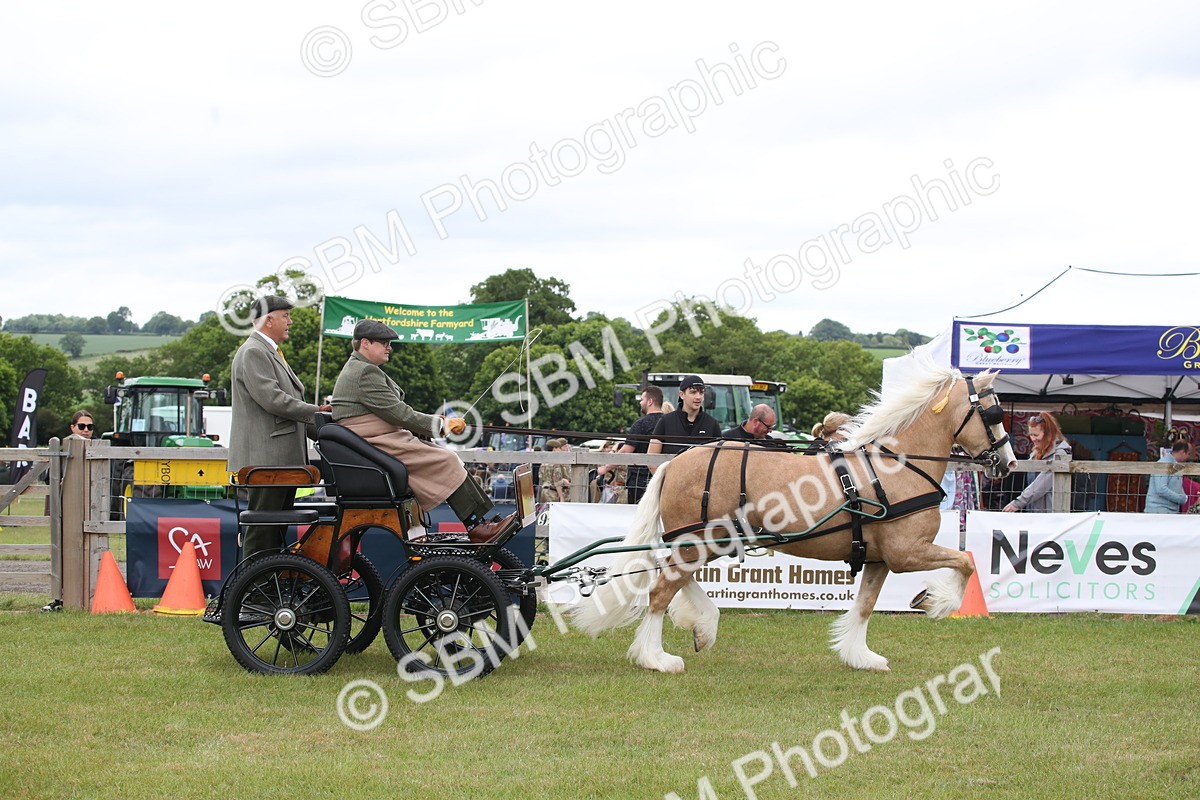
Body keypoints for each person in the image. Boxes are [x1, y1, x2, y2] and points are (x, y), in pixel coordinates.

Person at [330, 319, 516, 543]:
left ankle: (482, 522)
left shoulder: (361, 368)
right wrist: (441, 425)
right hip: (374, 443)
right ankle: (476, 526)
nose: (389, 347)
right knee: (446, 458)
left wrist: (437, 424)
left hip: (376, 440)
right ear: (365, 343)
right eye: (384, 342)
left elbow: (395, 414)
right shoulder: (364, 372)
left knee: (447, 457)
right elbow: (399, 414)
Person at [228, 295, 332, 558]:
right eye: (285, 315)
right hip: (266, 460)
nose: (290, 321)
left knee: (273, 528)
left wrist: (321, 426)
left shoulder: (267, 351)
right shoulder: (254, 352)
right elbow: (273, 400)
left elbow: (284, 402)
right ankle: (253, 591)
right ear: (268, 319)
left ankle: (265, 588)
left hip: (278, 461)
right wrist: (316, 412)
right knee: (263, 529)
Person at [597, 385, 664, 504]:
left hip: (640, 481)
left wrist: (605, 468)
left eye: (642, 400)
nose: (640, 403)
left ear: (650, 402)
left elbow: (625, 451)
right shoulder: (668, 422)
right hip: (665, 479)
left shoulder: (641, 424)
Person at [647, 375, 721, 472]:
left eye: (701, 392)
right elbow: (651, 458)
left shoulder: (712, 424)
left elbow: (719, 460)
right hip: (671, 483)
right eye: (693, 392)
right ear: (682, 395)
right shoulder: (665, 421)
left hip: (702, 485)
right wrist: (664, 480)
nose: (698, 397)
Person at [1003, 412, 1072, 513]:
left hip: (1051, 514)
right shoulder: (1035, 453)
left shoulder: (1060, 453)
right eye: (1030, 435)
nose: (1033, 439)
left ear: (1048, 433)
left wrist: (1018, 503)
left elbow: (1041, 484)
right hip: (1035, 513)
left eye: (1036, 435)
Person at [1145, 440, 1190, 514]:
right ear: (1182, 452)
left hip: (1169, 511)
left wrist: (1183, 497)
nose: (1188, 457)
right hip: (1158, 512)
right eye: (1188, 453)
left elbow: (1177, 486)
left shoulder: (1177, 465)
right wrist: (1181, 498)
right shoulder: (1163, 464)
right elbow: (1161, 489)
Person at [539, 438, 572, 503]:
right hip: (553, 494)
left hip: (545, 492)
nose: (560, 450)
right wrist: (561, 497)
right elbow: (557, 481)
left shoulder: (544, 462)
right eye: (559, 448)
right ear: (554, 449)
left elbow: (541, 476)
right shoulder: (556, 463)